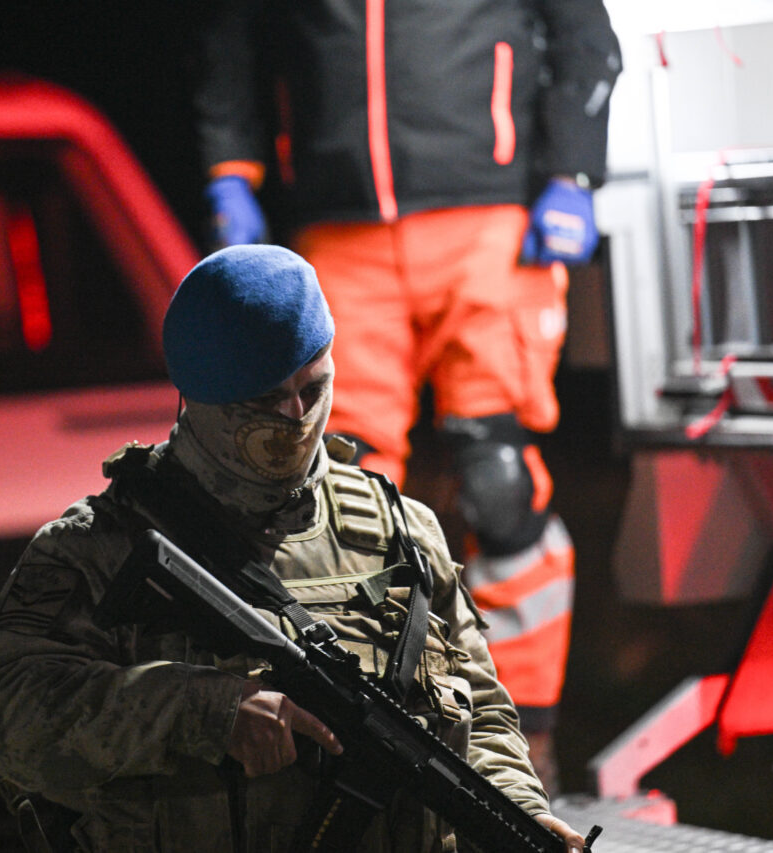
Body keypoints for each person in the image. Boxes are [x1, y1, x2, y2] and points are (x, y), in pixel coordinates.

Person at [0, 244, 593, 852]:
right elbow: (6, 717)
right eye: (266, 399)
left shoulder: (402, 534)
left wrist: (524, 815)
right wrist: (204, 711)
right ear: (200, 394)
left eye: (313, 387)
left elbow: (479, 716)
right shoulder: (98, 547)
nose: (295, 414)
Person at [193, 0, 621, 792]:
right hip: (338, 225)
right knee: (336, 497)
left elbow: (584, 32)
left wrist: (573, 172)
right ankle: (362, 736)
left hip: (487, 220)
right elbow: (233, 37)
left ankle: (523, 741)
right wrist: (230, 168)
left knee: (499, 482)